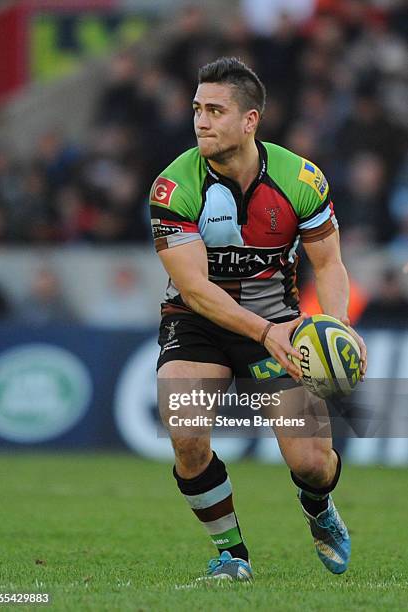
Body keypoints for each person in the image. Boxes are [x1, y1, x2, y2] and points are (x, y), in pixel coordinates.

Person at [149, 57, 367, 582]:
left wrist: (333, 327)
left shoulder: (300, 179)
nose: (201, 121)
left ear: (250, 120)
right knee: (185, 429)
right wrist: (262, 332)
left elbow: (329, 263)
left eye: (215, 111)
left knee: (312, 463)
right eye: (198, 109)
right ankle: (232, 555)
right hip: (197, 321)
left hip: (281, 321)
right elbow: (196, 288)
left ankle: (319, 508)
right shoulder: (173, 187)